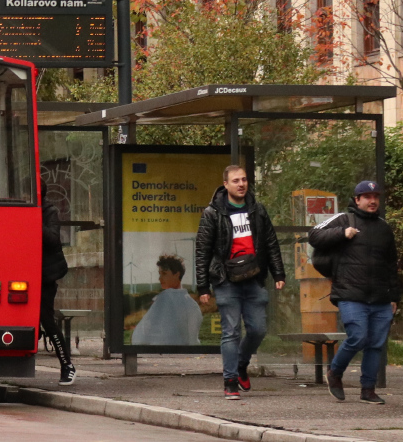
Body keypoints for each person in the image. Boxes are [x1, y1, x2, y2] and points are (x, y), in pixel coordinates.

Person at [195, 165, 285, 400]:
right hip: (226, 280)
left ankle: (241, 364)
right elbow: (202, 250)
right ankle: (230, 381)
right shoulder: (212, 213)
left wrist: (279, 274)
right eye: (236, 180)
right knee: (231, 331)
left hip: (254, 277)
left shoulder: (257, 209)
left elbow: (271, 242)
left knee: (258, 329)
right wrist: (203, 286)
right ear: (225, 184)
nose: (241, 184)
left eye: (244, 180)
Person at [307, 180, 400, 404]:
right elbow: (314, 235)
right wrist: (342, 233)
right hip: (350, 293)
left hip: (380, 297)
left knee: (376, 344)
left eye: (376, 196)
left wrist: (395, 297)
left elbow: (391, 266)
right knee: (358, 336)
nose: (373, 200)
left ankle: (367, 389)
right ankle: (335, 373)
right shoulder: (343, 219)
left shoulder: (384, 228)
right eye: (367, 197)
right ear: (357, 200)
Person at [40, 189, 76, 385]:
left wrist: (33, 219)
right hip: (27, 273)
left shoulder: (49, 211)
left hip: (46, 276)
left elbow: (53, 238)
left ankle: (67, 365)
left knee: (47, 320)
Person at [131, 255, 203, 346]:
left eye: (164, 273)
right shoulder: (192, 304)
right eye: (159, 274)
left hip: (159, 352)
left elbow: (140, 337)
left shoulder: (163, 299)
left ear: (177, 274)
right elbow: (192, 339)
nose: (160, 278)